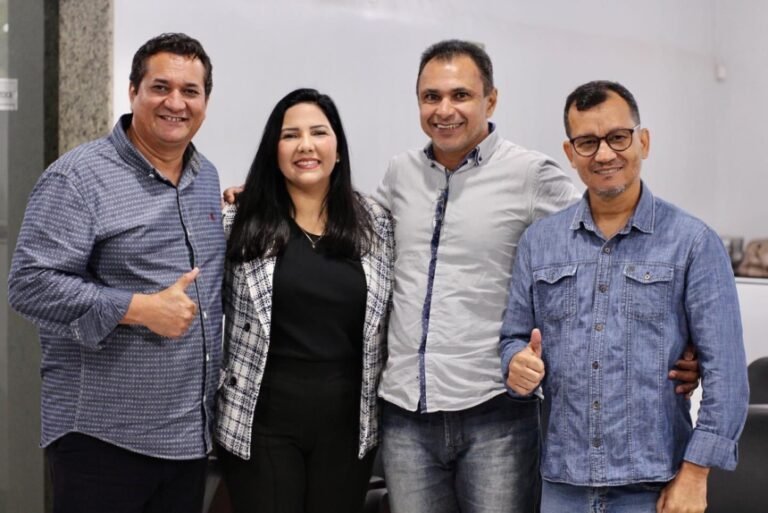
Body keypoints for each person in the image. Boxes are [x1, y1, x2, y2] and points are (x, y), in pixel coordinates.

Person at [372, 41, 702, 513]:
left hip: (495, 415)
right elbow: (353, 236)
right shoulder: (398, 175)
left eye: (461, 95)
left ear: (491, 100)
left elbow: (608, 238)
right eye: (431, 96)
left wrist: (666, 344)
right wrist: (258, 195)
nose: (445, 109)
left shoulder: (530, 175)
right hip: (405, 416)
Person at [500, 80, 749, 513]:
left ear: (643, 141)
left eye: (617, 137)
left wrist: (696, 473)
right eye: (587, 142)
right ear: (570, 152)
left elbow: (726, 373)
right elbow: (513, 339)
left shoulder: (692, 243)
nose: (604, 154)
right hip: (563, 483)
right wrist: (515, 363)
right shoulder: (539, 243)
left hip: (656, 483)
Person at [8, 33, 224, 513]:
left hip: (188, 439)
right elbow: (29, 284)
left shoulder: (204, 176)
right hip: (102, 441)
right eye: (160, 87)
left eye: (191, 91)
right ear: (133, 92)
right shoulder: (79, 177)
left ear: (206, 101)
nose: (175, 102)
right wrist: (138, 308)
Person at [214, 88, 394, 513]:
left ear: (337, 147)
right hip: (260, 424)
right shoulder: (237, 223)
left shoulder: (376, 226)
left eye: (318, 132)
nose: (306, 145)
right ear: (273, 149)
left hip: (349, 426)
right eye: (290, 135)